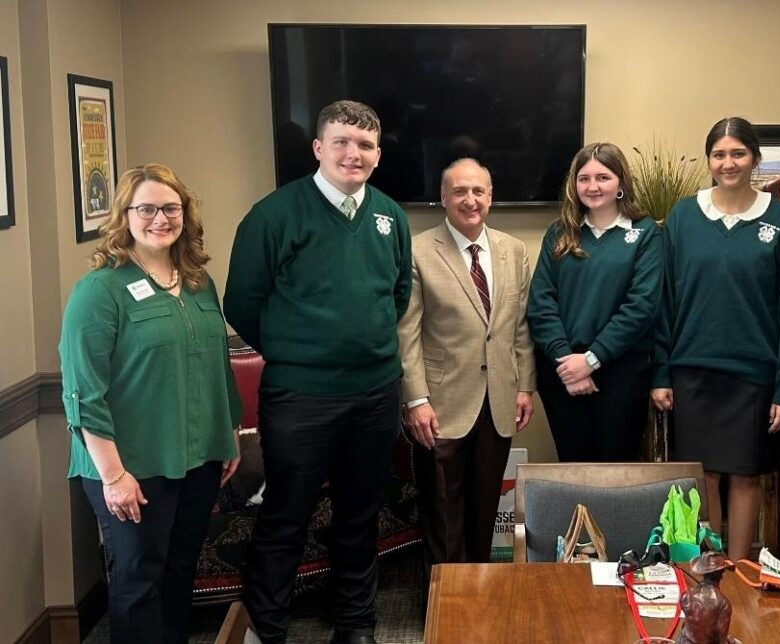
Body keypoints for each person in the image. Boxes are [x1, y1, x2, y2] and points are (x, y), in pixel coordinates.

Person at [224, 100, 411, 644]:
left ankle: (355, 625)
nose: (354, 154)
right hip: (300, 396)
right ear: (318, 148)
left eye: (365, 145)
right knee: (287, 517)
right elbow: (242, 302)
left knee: (360, 515)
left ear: (377, 155)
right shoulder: (273, 216)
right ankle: (268, 629)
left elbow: (397, 295)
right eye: (341, 142)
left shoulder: (389, 216)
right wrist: (298, 350)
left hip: (375, 394)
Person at [59, 164, 241, 644]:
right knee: (139, 580)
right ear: (124, 215)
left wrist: (228, 435)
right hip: (129, 466)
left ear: (186, 214)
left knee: (180, 571)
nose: (160, 219)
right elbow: (82, 392)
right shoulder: (99, 290)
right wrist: (113, 476)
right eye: (146, 209)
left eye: (170, 208)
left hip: (197, 458)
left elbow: (217, 365)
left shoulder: (198, 282)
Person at [651, 117, 780, 562]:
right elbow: (665, 300)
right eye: (719, 154)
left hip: (754, 373)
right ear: (709, 161)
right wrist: (661, 373)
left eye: (738, 153)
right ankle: (708, 570)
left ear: (755, 158)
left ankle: (736, 573)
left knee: (745, 476)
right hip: (692, 371)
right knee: (703, 479)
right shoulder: (683, 216)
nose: (728, 163)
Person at [397, 158, 536, 573]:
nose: (469, 200)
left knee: (484, 507)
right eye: (459, 191)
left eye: (478, 191)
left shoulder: (514, 250)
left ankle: (479, 592)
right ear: (443, 197)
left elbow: (520, 326)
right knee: (443, 513)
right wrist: (416, 399)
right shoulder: (418, 250)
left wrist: (524, 386)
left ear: (490, 197)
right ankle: (443, 599)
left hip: (498, 402)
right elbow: (407, 332)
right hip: (439, 406)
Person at [528, 142, 664, 462]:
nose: (593, 187)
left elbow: (642, 306)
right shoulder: (559, 233)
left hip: (621, 373)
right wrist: (568, 363)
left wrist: (591, 360)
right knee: (573, 469)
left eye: (603, 177)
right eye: (584, 178)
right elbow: (541, 303)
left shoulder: (646, 233)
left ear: (621, 182)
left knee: (616, 470)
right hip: (563, 372)